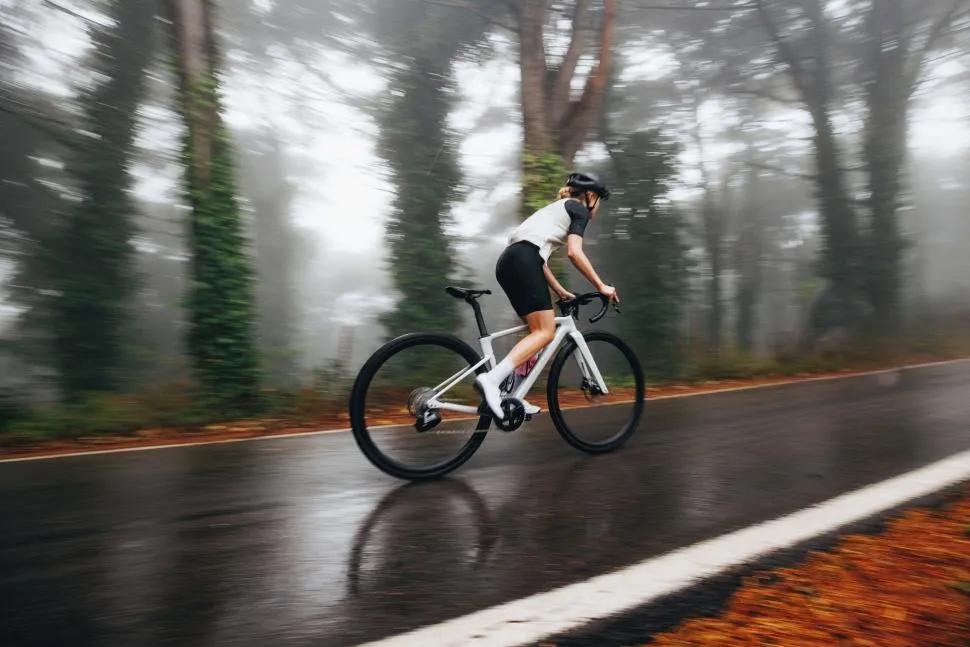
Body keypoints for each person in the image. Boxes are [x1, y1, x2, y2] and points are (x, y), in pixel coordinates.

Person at [474, 172, 619, 419]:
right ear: (591, 196)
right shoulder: (579, 210)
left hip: (510, 262)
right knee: (546, 332)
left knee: (537, 335)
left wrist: (561, 292)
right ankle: (492, 380)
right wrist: (601, 285)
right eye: (600, 202)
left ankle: (512, 397)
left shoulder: (556, 209)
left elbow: (539, 262)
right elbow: (574, 252)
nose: (598, 209)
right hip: (523, 261)